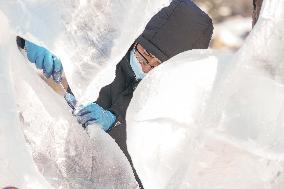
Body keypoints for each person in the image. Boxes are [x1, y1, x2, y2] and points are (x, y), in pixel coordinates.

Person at [18, 0, 213, 188]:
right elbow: (42, 25)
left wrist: (115, 126)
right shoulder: (109, 54)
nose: (145, 67)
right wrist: (33, 39)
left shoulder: (184, 103)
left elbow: (158, 167)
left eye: (156, 65)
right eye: (143, 54)